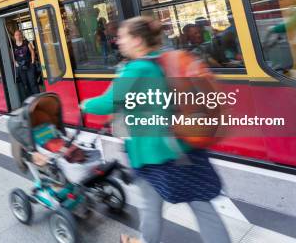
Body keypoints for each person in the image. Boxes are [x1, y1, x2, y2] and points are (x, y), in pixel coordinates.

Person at [81, 16, 230, 243]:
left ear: (138, 41)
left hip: (156, 154)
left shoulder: (138, 68)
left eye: (123, 37)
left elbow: (108, 102)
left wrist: (84, 104)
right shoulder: (160, 61)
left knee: (156, 206)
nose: (118, 41)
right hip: (179, 147)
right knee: (197, 205)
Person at [12, 30, 39, 99]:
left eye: (19, 34)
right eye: (16, 35)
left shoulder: (26, 43)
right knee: (25, 84)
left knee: (32, 82)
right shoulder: (13, 46)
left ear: (21, 35)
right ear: (14, 37)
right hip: (20, 67)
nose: (18, 36)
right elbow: (12, 56)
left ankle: (38, 97)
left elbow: (32, 52)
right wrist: (15, 63)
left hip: (29, 66)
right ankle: (30, 99)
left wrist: (32, 62)